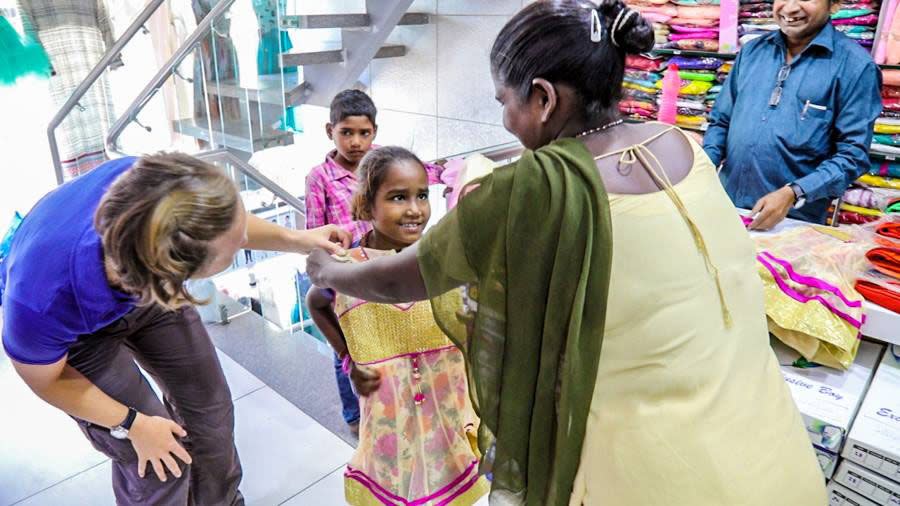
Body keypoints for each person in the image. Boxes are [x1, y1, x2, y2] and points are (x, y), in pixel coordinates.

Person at [306, 1, 827, 505]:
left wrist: (326, 266)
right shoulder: (680, 144)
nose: (506, 121)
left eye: (502, 102)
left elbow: (400, 280)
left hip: (658, 474)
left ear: (543, 98)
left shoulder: (534, 189)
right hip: (771, 449)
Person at [0, 153, 349, 505]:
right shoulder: (39, 300)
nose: (242, 238)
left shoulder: (165, 188)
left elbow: (230, 226)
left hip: (144, 282)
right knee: (158, 458)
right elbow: (46, 381)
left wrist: (300, 239)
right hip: (77, 332)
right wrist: (132, 423)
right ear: (177, 270)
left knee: (210, 414)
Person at [306, 146, 488, 505]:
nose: (415, 210)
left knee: (451, 483)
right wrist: (347, 358)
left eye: (422, 195)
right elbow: (316, 303)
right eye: (397, 197)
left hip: (447, 402)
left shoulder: (443, 256)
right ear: (367, 205)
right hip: (388, 411)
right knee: (394, 486)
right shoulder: (347, 266)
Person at [304, 89, 448, 435]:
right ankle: (356, 414)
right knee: (356, 346)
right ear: (330, 131)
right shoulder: (319, 177)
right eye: (346, 133)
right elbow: (314, 233)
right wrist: (332, 259)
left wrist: (457, 175)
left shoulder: (386, 162)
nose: (355, 141)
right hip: (347, 269)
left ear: (375, 132)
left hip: (388, 261)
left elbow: (423, 172)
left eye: (364, 133)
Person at [703, 0, 882, 230]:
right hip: (726, 209)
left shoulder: (855, 67)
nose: (790, 7)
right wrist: (705, 168)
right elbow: (721, 121)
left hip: (793, 222)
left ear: (834, 5)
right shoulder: (751, 52)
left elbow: (852, 155)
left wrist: (794, 193)